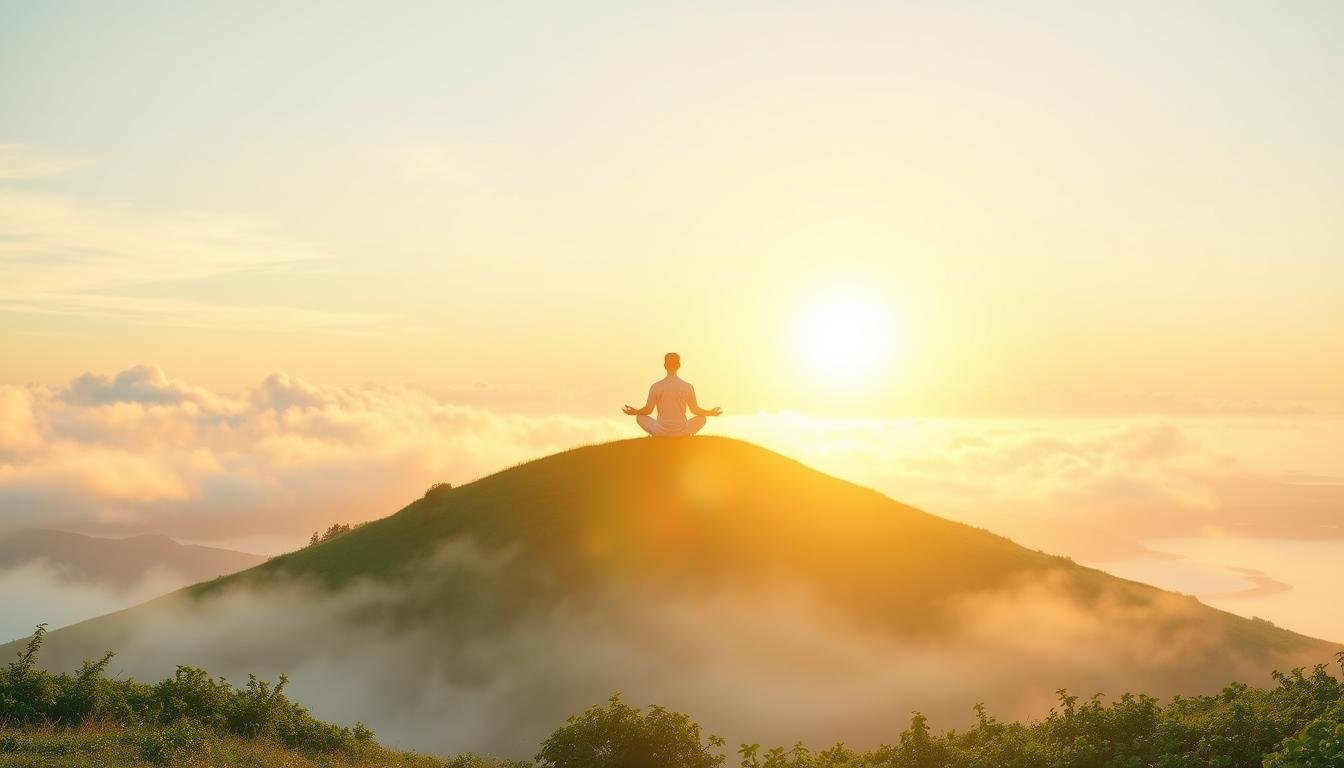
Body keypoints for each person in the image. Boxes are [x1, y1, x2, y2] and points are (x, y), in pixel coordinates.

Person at [623, 353, 722, 436]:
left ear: (665, 365)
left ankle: (657, 434)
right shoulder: (687, 386)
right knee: (702, 418)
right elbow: (695, 410)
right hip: (682, 431)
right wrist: (710, 413)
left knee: (639, 417)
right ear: (679, 365)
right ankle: (686, 435)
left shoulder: (656, 386)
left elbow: (648, 410)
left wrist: (635, 411)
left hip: (660, 431)